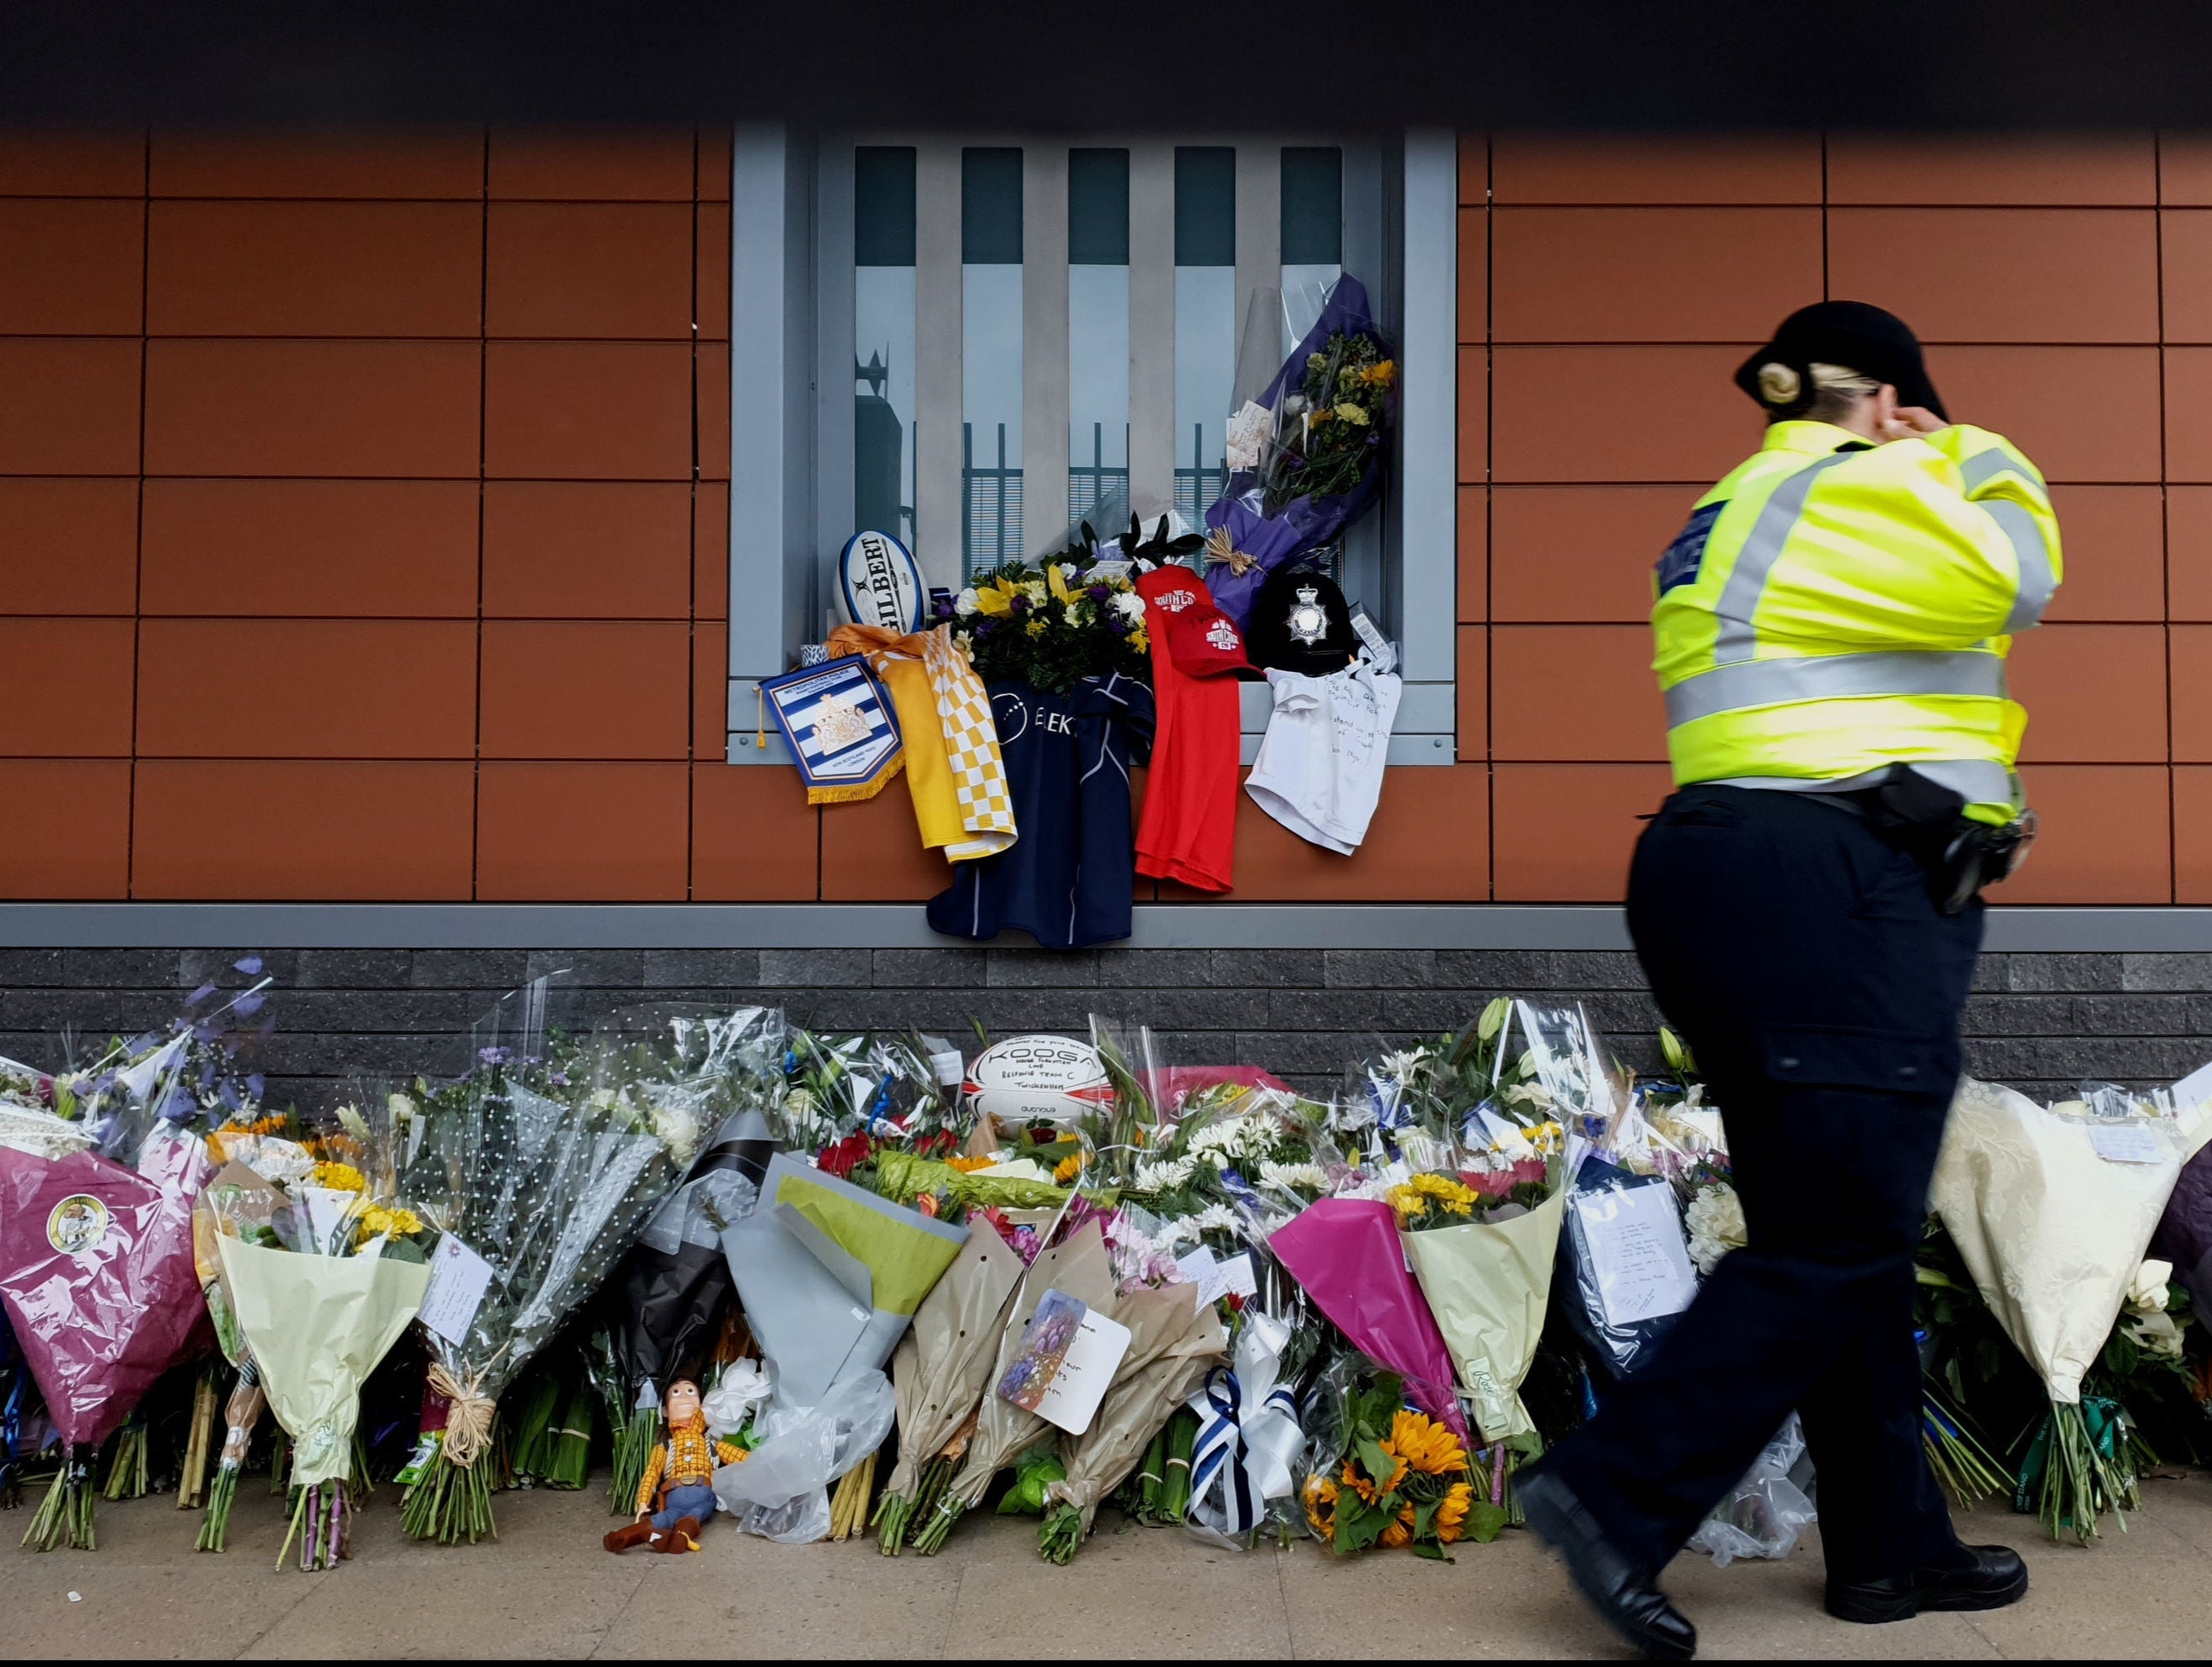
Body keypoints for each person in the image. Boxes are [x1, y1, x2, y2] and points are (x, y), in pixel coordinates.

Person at [1518, 301, 2059, 1660]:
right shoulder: (1861, 479)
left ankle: (1889, 1551)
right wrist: (1968, 445)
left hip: (1735, 874)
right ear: (1880, 396)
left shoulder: (1734, 505)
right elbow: (2021, 571)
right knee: (1841, 1238)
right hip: (1835, 886)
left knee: (1841, 1226)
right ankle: (1609, 1494)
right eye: (1910, 405)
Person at [602, 1376, 745, 1554]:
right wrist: (643, 1501)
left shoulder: (711, 1444)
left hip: (703, 1492)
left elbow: (743, 1458)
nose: (684, 1397)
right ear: (665, 1411)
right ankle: (623, 1537)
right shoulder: (665, 1447)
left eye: (691, 1392)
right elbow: (651, 1473)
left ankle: (679, 1537)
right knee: (666, 1517)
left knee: (695, 1514)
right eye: (676, 1393)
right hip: (673, 1495)